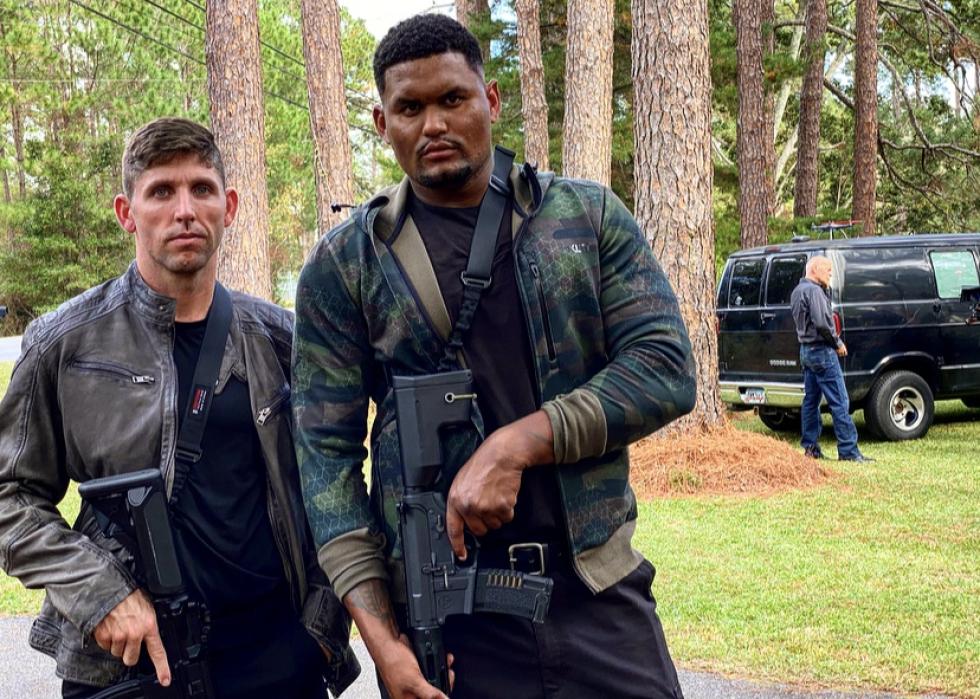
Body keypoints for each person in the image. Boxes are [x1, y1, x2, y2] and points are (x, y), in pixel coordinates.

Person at [292, 14, 696, 699]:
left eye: (453, 99)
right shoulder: (347, 264)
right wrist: (384, 640)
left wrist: (517, 445)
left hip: (596, 592)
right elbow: (324, 462)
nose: (433, 124)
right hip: (450, 623)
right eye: (409, 108)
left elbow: (665, 367)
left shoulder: (587, 219)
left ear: (493, 100)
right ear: (380, 121)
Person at [0, 118, 359, 698]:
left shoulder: (280, 340)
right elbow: (9, 496)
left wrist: (319, 630)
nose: (184, 209)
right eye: (162, 191)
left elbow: (336, 486)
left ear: (230, 205)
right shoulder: (65, 343)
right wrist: (100, 595)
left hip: (275, 660)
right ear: (127, 212)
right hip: (126, 663)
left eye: (202, 189)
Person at [790, 256, 873, 462]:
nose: (830, 274)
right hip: (822, 351)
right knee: (840, 401)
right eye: (827, 270)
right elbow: (822, 323)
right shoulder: (814, 291)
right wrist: (837, 343)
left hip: (806, 352)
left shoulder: (797, 291)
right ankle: (848, 451)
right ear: (815, 269)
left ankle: (810, 448)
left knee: (811, 401)